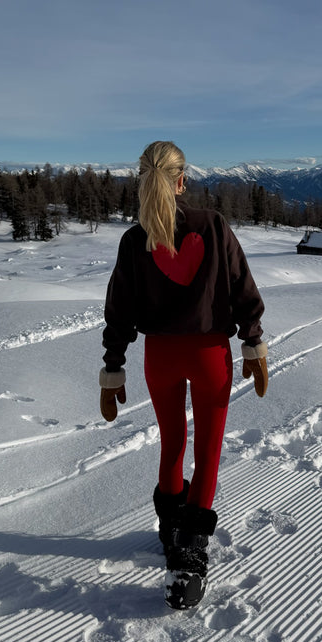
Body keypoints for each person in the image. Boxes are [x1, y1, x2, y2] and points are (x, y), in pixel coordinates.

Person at [99, 140, 267, 609]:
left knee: (172, 444)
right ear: (181, 181)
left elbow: (119, 310)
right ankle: (190, 555)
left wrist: (113, 366)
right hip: (209, 354)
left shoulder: (134, 240)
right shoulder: (212, 225)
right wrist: (253, 340)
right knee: (207, 451)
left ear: (142, 180)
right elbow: (242, 287)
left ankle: (171, 532)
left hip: (160, 357)